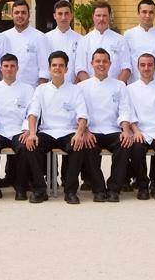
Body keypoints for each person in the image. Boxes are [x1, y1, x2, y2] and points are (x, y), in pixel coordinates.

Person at [24, 50, 90, 204]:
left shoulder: (75, 89)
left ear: (66, 69)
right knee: (31, 145)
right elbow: (33, 113)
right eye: (54, 65)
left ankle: (70, 191)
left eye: (61, 65)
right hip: (47, 131)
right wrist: (32, 133)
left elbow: (83, 116)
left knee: (78, 146)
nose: (57, 68)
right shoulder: (41, 89)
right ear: (49, 68)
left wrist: (79, 134)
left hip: (68, 131)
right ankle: (40, 190)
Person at [78, 48, 136, 202]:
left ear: (110, 64)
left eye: (104, 61)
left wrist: (125, 130)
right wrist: (85, 131)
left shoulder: (119, 85)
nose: (101, 64)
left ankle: (114, 189)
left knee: (125, 144)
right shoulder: (82, 86)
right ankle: (98, 189)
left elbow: (124, 109)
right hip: (92, 130)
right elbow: (79, 112)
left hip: (112, 129)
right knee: (87, 147)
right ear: (91, 64)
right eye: (98, 61)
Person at [0, 53, 35, 201]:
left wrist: (27, 130)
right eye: (6, 66)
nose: (9, 69)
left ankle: (21, 188)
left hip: (19, 130)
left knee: (24, 147)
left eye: (12, 66)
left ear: (17, 68)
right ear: (1, 68)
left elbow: (31, 112)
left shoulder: (27, 89)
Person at [125, 53, 155, 200]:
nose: (146, 68)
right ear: (138, 67)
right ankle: (142, 185)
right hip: (138, 130)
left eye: (150, 65)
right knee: (136, 148)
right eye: (143, 65)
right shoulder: (130, 89)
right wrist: (136, 131)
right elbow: (129, 112)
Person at [76, 1, 131, 82]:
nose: (101, 19)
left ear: (109, 17)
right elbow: (80, 68)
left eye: (104, 15)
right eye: (98, 15)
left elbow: (126, 67)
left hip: (114, 87)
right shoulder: (84, 41)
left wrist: (117, 86)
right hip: (91, 88)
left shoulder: (120, 40)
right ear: (93, 17)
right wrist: (91, 86)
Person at [1, 0, 50, 86]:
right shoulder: (4, 37)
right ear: (12, 15)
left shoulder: (40, 37)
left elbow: (44, 69)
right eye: (16, 13)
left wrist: (40, 90)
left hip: (32, 89)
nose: (20, 15)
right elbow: (0, 67)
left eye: (23, 13)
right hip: (8, 88)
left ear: (29, 15)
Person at [124, 0, 155, 84]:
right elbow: (125, 64)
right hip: (134, 85)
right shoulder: (128, 35)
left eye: (151, 12)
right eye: (144, 12)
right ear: (138, 13)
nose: (147, 15)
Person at [44, 0, 82, 83]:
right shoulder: (45, 38)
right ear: (54, 16)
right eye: (60, 14)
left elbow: (81, 66)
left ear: (71, 15)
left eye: (66, 13)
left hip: (73, 86)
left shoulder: (81, 39)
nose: (63, 17)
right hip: (51, 87)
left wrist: (75, 86)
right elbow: (44, 66)